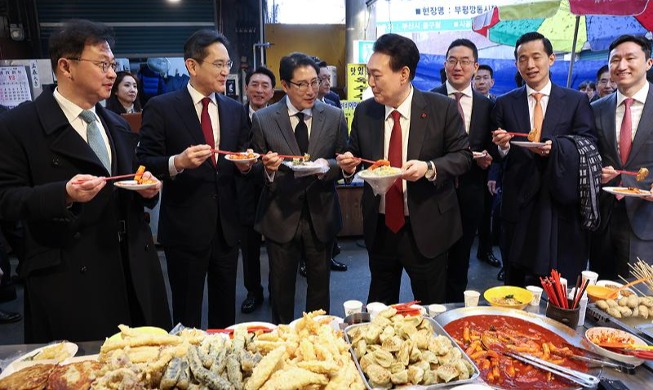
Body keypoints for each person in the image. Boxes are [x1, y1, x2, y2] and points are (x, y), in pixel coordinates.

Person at [0, 19, 170, 342]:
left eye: (113, 65)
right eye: (103, 64)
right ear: (66, 67)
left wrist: (146, 189)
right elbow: (6, 199)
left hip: (133, 264)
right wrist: (63, 194)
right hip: (69, 274)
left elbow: (130, 180)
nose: (112, 73)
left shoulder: (116, 124)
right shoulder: (20, 125)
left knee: (144, 358)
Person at [337, 33, 471, 305]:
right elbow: (355, 153)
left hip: (427, 225)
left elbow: (463, 156)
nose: (371, 83)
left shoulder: (440, 107)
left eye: (377, 75)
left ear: (404, 74)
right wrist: (348, 164)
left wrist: (429, 167)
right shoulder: (366, 112)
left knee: (432, 305)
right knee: (380, 306)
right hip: (382, 226)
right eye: (368, 75)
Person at [137, 30, 251, 329]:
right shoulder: (161, 107)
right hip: (185, 228)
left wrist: (247, 165)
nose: (226, 71)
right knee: (186, 311)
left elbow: (241, 157)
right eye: (218, 64)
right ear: (192, 65)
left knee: (225, 311)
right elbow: (145, 161)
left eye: (227, 64)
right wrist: (178, 162)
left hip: (226, 227)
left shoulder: (235, 110)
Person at [491, 32, 599, 287]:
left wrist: (558, 149)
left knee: (559, 285)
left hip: (559, 206)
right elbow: (496, 154)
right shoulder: (505, 103)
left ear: (551, 59)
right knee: (516, 286)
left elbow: (589, 144)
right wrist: (503, 147)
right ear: (516, 64)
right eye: (522, 59)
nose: (530, 65)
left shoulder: (575, 101)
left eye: (536, 57)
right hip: (518, 204)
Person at [250, 52, 348, 324]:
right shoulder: (264, 119)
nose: (311, 90)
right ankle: (282, 345)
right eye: (302, 84)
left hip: (321, 213)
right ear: (285, 84)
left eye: (315, 82)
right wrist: (267, 168)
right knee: (281, 290)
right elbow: (255, 167)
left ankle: (319, 347)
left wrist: (329, 166)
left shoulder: (334, 115)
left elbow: (344, 160)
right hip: (280, 215)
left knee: (320, 290)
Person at [431, 39, 495, 303]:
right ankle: (430, 310)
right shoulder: (428, 100)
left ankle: (454, 311)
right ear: (445, 64)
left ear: (475, 66)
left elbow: (495, 145)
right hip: (434, 192)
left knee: (461, 258)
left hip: (471, 192)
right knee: (432, 259)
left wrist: (491, 156)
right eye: (452, 60)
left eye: (465, 61)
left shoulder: (488, 105)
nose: (458, 67)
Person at [590, 35, 653, 279]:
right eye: (615, 60)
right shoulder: (596, 108)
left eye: (630, 58)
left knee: (639, 300)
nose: (622, 65)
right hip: (603, 218)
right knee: (600, 294)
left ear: (648, 63)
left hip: (645, 218)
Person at [239, 66, 275, 314]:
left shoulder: (278, 118)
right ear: (246, 88)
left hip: (274, 192)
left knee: (278, 248)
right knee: (249, 248)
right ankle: (253, 291)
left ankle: (278, 289)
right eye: (254, 84)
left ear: (272, 92)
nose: (259, 90)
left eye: (265, 86)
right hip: (244, 193)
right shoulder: (233, 115)